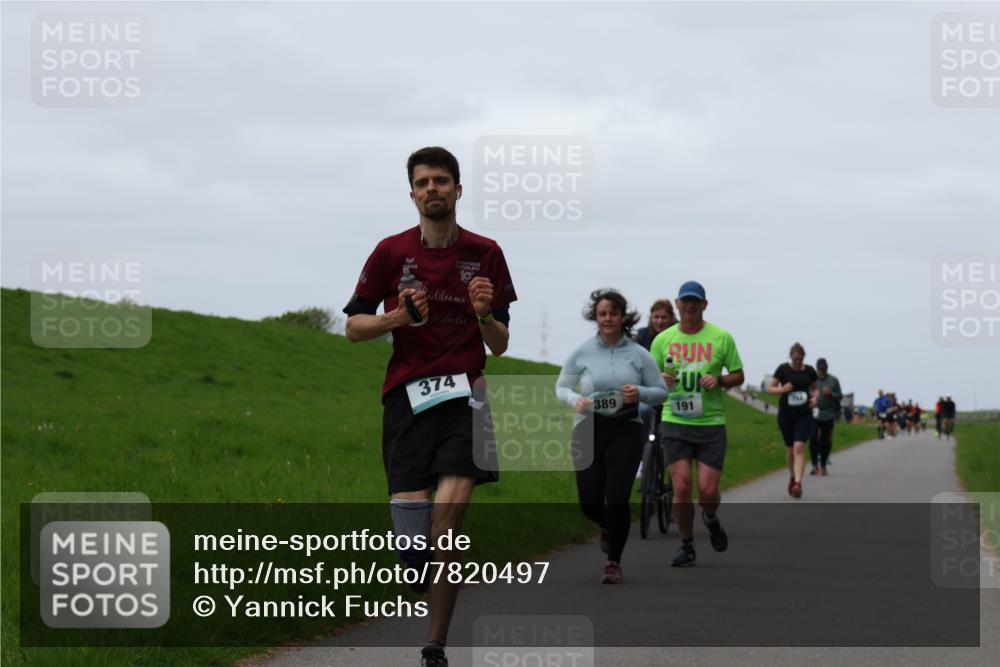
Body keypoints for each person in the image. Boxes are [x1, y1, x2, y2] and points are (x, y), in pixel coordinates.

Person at [342, 146, 517, 667]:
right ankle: (414, 560)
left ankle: (435, 644)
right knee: (416, 539)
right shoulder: (390, 253)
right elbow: (353, 327)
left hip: (467, 392)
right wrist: (397, 319)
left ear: (458, 190)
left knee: (451, 523)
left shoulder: (486, 252)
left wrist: (483, 313)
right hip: (407, 397)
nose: (433, 189)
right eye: (423, 182)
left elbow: (501, 343)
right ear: (413, 193)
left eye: (442, 180)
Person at [556, 290, 668, 583]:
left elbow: (661, 392)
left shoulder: (638, 354)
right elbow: (561, 387)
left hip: (625, 429)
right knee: (590, 501)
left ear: (622, 317)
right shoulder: (582, 352)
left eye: (613, 313)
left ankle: (613, 562)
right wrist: (574, 400)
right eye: (603, 314)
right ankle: (610, 527)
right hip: (588, 428)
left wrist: (640, 392)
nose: (608, 319)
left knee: (617, 499)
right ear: (596, 316)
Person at [649, 280, 745, 567]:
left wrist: (720, 380)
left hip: (710, 423)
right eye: (685, 301)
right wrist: (659, 382)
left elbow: (738, 375)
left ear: (704, 305)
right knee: (680, 487)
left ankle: (711, 518)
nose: (690, 306)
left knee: (706, 492)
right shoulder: (663, 340)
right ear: (677, 305)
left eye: (696, 301)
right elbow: (649, 376)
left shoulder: (721, 338)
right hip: (675, 420)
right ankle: (687, 545)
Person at [633, 299, 678, 478]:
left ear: (671, 318)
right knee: (642, 411)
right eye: (656, 317)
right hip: (649, 391)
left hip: (674, 391)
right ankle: (645, 458)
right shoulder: (641, 336)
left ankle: (667, 460)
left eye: (664, 317)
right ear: (650, 317)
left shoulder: (678, 336)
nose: (660, 321)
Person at [768, 343, 818, 498]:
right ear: (790, 356)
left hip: (804, 414)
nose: (797, 362)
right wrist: (782, 389)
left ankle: (797, 483)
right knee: (790, 450)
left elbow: (816, 388)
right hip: (786, 414)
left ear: (804, 357)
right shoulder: (782, 369)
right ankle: (792, 476)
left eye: (800, 359)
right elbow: (771, 388)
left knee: (799, 447)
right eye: (795, 359)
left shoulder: (809, 371)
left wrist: (816, 398)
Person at [809, 358, 842, 476]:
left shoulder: (833, 380)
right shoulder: (812, 380)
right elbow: (807, 393)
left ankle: (823, 465)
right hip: (814, 413)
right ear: (816, 368)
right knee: (813, 438)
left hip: (828, 413)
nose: (821, 371)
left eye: (823, 368)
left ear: (827, 368)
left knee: (825, 440)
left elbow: (839, 396)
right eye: (819, 369)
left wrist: (831, 394)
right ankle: (814, 465)